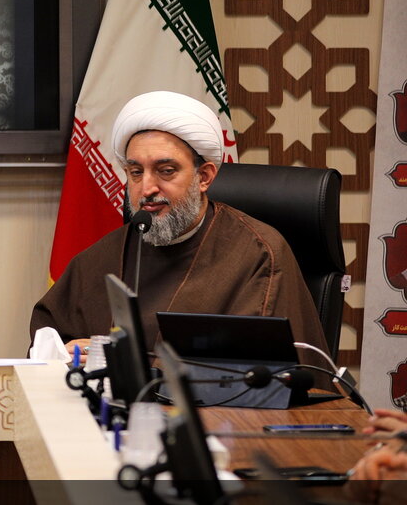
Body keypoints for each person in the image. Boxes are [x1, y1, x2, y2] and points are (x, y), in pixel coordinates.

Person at [30, 90, 328, 359]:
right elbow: (48, 340)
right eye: (136, 172)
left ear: (204, 177)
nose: (147, 188)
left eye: (166, 170)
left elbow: (251, 372)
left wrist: (128, 365)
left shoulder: (257, 254)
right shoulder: (104, 256)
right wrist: (66, 353)